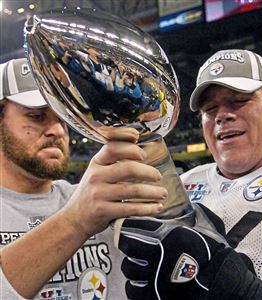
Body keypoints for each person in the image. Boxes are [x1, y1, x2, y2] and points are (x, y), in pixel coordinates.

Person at [114, 49, 262, 299]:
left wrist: (249, 293)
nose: (222, 115)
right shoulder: (181, 185)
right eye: (210, 108)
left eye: (239, 100)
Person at [0, 58, 167, 299]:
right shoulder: (85, 208)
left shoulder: (102, 199)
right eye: (36, 116)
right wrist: (74, 221)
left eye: (62, 119)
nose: (57, 130)